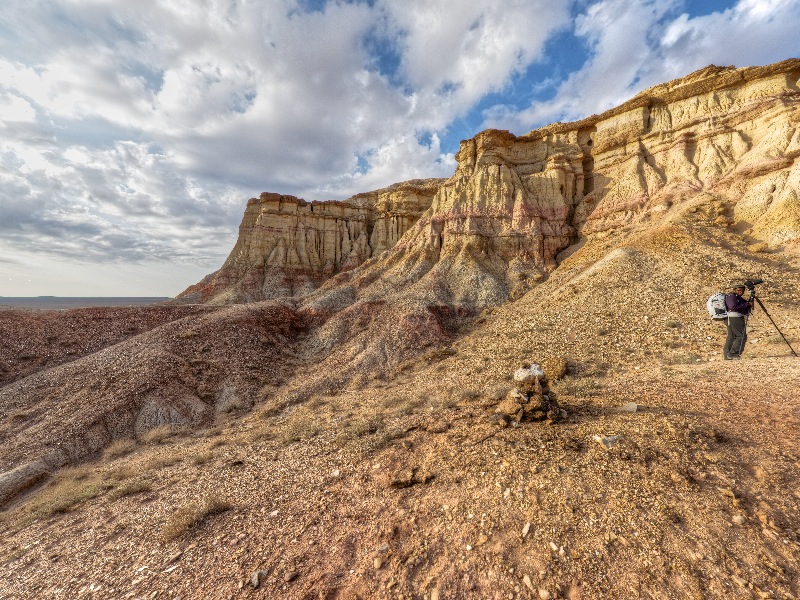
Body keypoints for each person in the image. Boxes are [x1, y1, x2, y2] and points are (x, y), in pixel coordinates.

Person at [724, 284, 753, 360]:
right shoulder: (732, 297)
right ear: (734, 290)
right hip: (734, 318)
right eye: (738, 290)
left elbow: (747, 304)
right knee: (741, 336)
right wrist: (747, 304)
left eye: (742, 291)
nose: (740, 292)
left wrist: (749, 301)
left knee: (732, 336)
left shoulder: (737, 298)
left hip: (731, 318)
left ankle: (727, 355)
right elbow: (733, 307)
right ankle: (733, 354)